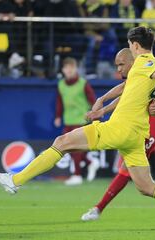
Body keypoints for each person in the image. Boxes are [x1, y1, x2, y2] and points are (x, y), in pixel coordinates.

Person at [0, 26, 155, 229]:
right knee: (147, 187)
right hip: (135, 136)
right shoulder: (144, 69)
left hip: (119, 129)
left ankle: (14, 181)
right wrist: (103, 106)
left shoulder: (144, 61)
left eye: (130, 44)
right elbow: (128, 90)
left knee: (61, 142)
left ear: (135, 45)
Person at [80, 47, 155, 221]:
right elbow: (125, 91)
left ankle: (98, 208)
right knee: (130, 169)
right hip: (143, 116)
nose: (118, 69)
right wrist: (102, 102)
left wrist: (103, 106)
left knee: (128, 169)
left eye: (121, 65)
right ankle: (98, 208)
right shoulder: (137, 70)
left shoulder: (146, 65)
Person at [54, 57, 99, 185]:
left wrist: (95, 114)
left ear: (75, 69)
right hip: (68, 120)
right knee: (70, 148)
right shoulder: (61, 84)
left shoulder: (83, 83)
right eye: (66, 68)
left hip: (81, 120)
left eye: (71, 68)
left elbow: (92, 99)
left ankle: (77, 175)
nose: (69, 70)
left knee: (75, 148)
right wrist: (58, 116)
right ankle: (91, 163)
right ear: (63, 70)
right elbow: (59, 102)